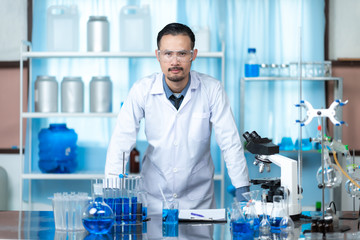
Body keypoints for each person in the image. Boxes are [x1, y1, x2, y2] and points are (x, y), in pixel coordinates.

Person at [105, 23, 250, 214]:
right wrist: (112, 193)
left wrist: (243, 192)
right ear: (158, 56)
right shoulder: (142, 89)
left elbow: (229, 142)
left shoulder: (212, 89)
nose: (175, 62)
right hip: (154, 200)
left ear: (193, 55)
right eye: (168, 54)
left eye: (182, 53)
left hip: (198, 202)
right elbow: (121, 141)